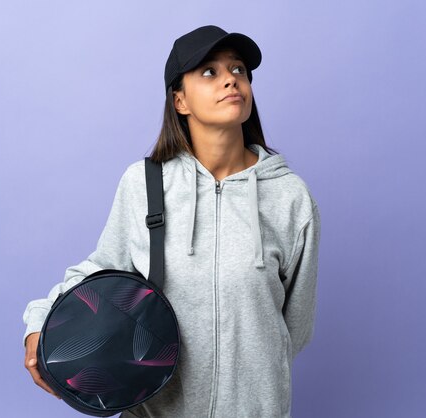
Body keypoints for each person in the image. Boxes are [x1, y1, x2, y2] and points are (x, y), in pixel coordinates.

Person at [23, 25, 321, 418]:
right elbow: (103, 269)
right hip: (156, 410)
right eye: (210, 72)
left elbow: (294, 329)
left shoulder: (290, 197)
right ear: (180, 100)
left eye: (239, 70)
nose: (231, 78)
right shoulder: (144, 183)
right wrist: (38, 322)